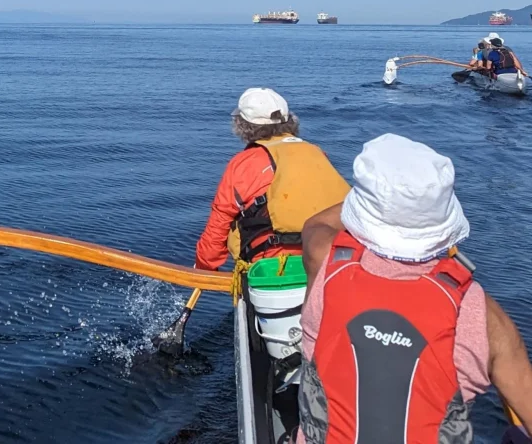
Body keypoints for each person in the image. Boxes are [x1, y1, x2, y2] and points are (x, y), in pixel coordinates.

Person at [298, 134, 532, 443]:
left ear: (362, 211)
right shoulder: (480, 311)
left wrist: (382, 201)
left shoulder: (325, 261)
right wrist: (413, 208)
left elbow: (314, 225)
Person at [193, 88, 350, 271]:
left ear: (242, 125)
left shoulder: (244, 163)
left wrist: (204, 266)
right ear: (289, 121)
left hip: (271, 269)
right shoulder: (316, 152)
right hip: (327, 262)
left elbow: (219, 224)